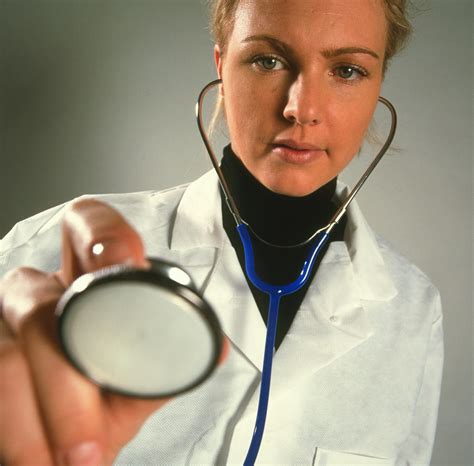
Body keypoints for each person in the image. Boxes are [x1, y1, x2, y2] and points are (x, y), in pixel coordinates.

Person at [0, 0, 444, 465]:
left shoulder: (413, 312)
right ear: (221, 67)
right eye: (268, 61)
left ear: (378, 86)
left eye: (348, 70)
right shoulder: (52, 256)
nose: (301, 109)